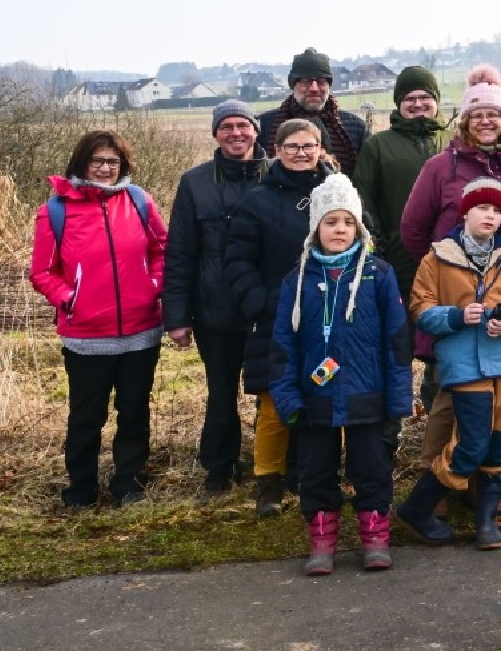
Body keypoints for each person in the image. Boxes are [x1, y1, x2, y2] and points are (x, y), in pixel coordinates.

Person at [269, 175, 411, 575]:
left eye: (348, 223)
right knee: (315, 471)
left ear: (359, 228)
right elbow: (283, 345)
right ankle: (321, 542)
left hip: (368, 394)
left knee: (372, 468)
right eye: (331, 222)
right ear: (316, 227)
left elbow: (396, 342)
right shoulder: (296, 280)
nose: (340, 230)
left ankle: (376, 539)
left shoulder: (378, 275)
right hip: (314, 398)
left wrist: (398, 400)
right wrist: (288, 398)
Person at [397, 177, 501, 549]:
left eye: (496, 210)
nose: (490, 216)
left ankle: (486, 521)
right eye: (482, 208)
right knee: (471, 443)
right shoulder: (437, 257)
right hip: (465, 363)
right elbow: (420, 309)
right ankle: (417, 508)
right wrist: (459, 316)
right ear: (465, 213)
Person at [30, 130, 169, 508]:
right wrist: (70, 299)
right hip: (86, 336)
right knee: (86, 417)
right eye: (98, 161)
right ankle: (81, 490)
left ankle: (129, 484)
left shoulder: (140, 202)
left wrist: (153, 285)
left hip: (141, 331)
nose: (106, 168)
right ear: (82, 163)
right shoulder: (55, 210)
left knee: (135, 412)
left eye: (113, 162)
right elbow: (42, 272)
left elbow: (162, 250)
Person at [399, 65, 501, 490]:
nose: (486, 121)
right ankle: (436, 483)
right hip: (454, 305)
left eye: (495, 114)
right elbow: (413, 229)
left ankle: (485, 485)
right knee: (449, 397)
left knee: (499, 394)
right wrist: (445, 273)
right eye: (477, 114)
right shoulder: (441, 166)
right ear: (465, 121)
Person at [225, 117, 336, 517]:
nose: (302, 154)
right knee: (275, 404)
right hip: (277, 319)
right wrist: (261, 303)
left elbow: (363, 242)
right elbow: (237, 261)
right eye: (293, 147)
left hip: (329, 318)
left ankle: (314, 477)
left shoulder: (338, 193)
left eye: (309, 146)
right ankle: (268, 484)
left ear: (321, 149)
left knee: (325, 398)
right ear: (278, 150)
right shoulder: (258, 200)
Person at [163, 100, 269, 496]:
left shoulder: (279, 175)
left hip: (269, 307)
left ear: (256, 131)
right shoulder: (196, 182)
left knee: (271, 391)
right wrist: (177, 315)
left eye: (243, 125)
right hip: (216, 309)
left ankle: (270, 465)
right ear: (215, 134)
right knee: (221, 391)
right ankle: (219, 468)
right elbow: (180, 252)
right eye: (227, 127)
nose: (236, 133)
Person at [352, 66, 447, 458]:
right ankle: (386, 437)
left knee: (441, 348)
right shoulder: (378, 146)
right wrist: (381, 247)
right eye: (410, 99)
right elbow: (364, 200)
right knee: (395, 348)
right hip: (397, 263)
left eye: (425, 97)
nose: (419, 104)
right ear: (399, 105)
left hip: (447, 265)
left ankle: (439, 435)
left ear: (437, 101)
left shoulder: (453, 141)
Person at [259, 48, 368, 178]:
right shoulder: (266, 125)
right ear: (293, 85)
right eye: (306, 81)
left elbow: (365, 180)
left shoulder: (354, 128)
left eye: (322, 81)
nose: (314, 89)